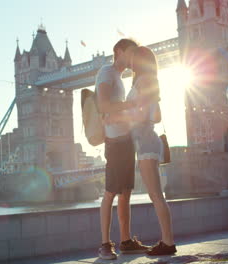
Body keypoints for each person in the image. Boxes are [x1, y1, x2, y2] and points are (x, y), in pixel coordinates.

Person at [106, 46, 177, 255]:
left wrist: (116, 117)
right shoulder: (146, 80)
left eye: (134, 56)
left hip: (146, 143)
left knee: (156, 195)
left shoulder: (144, 80)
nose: (130, 60)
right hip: (147, 141)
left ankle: (168, 243)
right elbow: (155, 115)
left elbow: (144, 115)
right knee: (156, 194)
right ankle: (167, 241)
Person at [95, 39, 150, 260]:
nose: (133, 57)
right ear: (118, 51)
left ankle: (126, 241)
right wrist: (131, 106)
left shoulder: (120, 78)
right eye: (131, 52)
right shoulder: (106, 72)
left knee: (126, 192)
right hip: (115, 141)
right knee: (110, 192)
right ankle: (105, 245)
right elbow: (104, 105)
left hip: (126, 139)